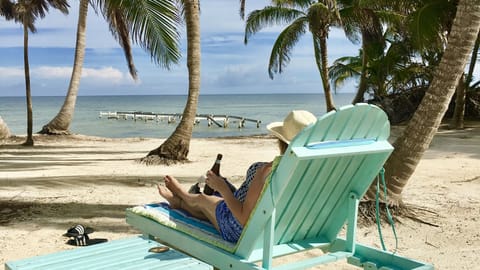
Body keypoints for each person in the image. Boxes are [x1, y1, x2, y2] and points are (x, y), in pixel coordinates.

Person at [157, 110, 317, 243]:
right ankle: (180, 202)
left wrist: (223, 189)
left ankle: (185, 198)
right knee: (216, 199)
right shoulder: (314, 171)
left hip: (244, 232)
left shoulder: (267, 171)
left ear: (281, 142)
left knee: (204, 200)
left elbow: (244, 218)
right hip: (282, 231)